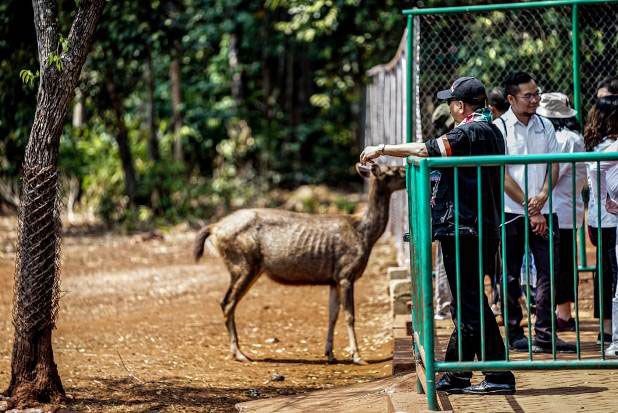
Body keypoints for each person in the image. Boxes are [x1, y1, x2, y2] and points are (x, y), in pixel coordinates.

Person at [361, 76, 515, 395]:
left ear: (460, 106)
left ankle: (488, 374)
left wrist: (383, 149)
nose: (449, 107)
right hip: (474, 225)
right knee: (469, 303)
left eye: (451, 103)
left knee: (469, 305)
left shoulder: (470, 131)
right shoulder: (490, 129)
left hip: (465, 228)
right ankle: (470, 374)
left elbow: (423, 149)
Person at [494, 72, 576, 353]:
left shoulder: (545, 125)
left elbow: (553, 165)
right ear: (511, 99)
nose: (534, 100)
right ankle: (515, 332)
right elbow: (502, 175)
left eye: (536, 93)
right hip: (511, 211)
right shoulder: (500, 128)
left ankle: (544, 333)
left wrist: (541, 197)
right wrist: (531, 209)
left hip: (546, 208)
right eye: (528, 96)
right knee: (511, 274)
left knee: (548, 273)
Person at [536, 92, 587, 332]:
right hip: (562, 208)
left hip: (560, 209)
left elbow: (553, 174)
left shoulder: (566, 139)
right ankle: (561, 313)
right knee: (559, 262)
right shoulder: (571, 136)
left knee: (562, 263)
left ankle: (564, 315)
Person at [584, 95, 618, 348]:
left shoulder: (596, 143)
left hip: (600, 218)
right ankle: (609, 331)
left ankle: (608, 330)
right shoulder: (607, 146)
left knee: (606, 275)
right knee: (610, 276)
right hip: (608, 220)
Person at [430, 103, 454, 320]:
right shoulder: (441, 150)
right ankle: (444, 305)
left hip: (455, 214)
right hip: (446, 215)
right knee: (444, 262)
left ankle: (447, 304)